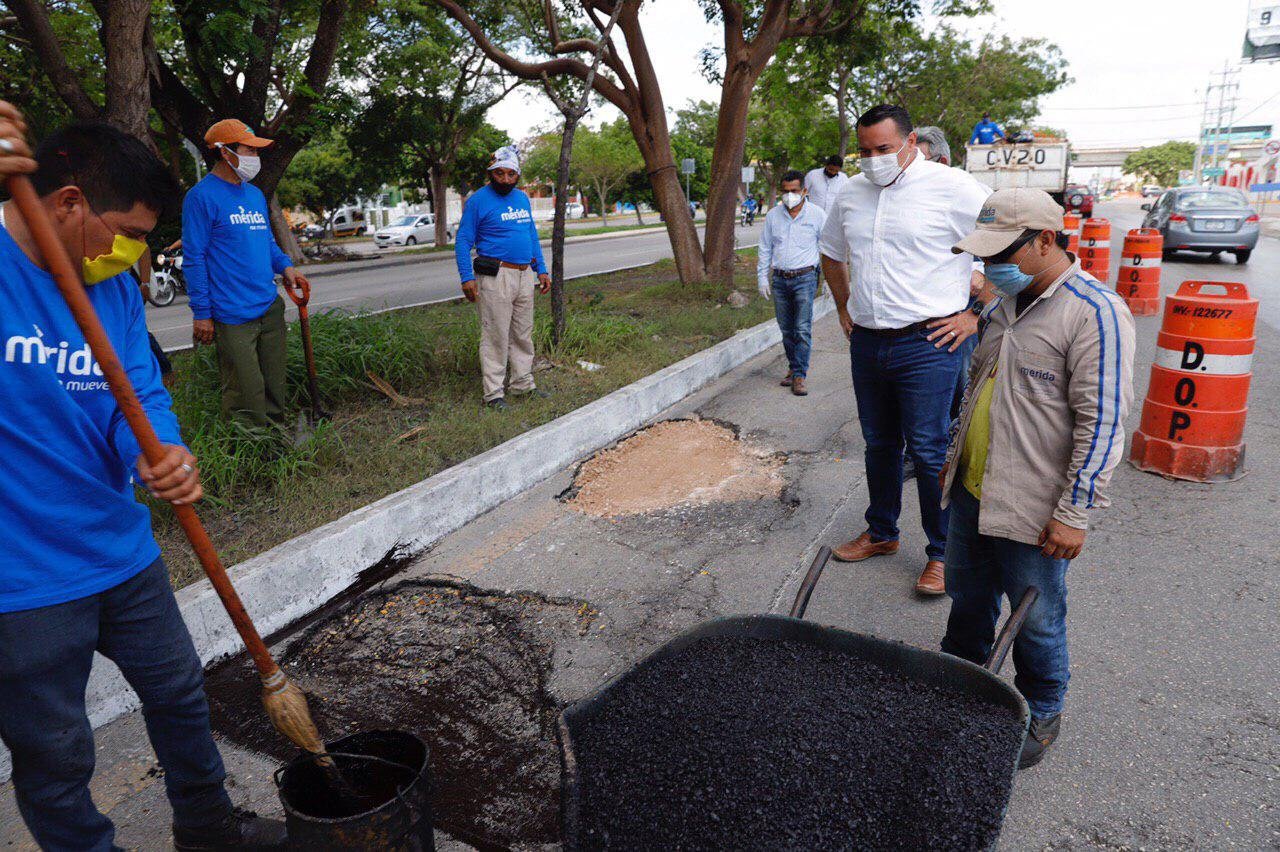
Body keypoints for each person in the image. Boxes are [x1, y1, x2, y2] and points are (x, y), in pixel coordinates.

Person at [0, 104, 284, 850]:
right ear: (67, 202)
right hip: (20, 579)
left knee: (180, 692)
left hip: (121, 550)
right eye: (127, 234)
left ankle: (209, 826)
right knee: (56, 755)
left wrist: (161, 452)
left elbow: (137, 393)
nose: (134, 257)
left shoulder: (114, 290)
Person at [940, 187, 1135, 768]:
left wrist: (1074, 514)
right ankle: (959, 684)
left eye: (1001, 252)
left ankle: (1041, 708)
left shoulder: (1094, 312)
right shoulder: (1004, 300)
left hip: (1034, 505)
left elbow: (1102, 422)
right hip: (974, 490)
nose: (988, 265)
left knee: (1038, 618)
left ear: (1045, 240)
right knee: (968, 601)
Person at [819, 104, 991, 597]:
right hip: (869, 341)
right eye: (865, 150)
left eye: (884, 149)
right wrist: (843, 307)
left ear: (911, 141)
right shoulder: (851, 192)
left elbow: (1012, 242)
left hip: (929, 342)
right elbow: (831, 251)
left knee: (930, 448)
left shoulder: (952, 187)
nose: (873, 160)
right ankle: (882, 532)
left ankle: (943, 553)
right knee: (879, 445)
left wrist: (974, 316)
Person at [183, 118, 310, 428]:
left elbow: (265, 241)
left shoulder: (254, 195)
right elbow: (194, 258)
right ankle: (251, 456)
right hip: (232, 314)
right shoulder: (201, 198)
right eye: (249, 150)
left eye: (256, 150)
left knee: (274, 386)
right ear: (225, 152)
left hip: (268, 305)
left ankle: (276, 445)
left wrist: (286, 266)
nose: (255, 157)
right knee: (246, 394)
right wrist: (202, 313)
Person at [454, 145, 551, 410]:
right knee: (495, 335)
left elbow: (530, 234)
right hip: (496, 276)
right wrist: (466, 277)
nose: (505, 179)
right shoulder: (478, 201)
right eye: (500, 173)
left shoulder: (521, 198)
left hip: (524, 275)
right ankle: (494, 394)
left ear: (518, 174)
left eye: (511, 174)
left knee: (522, 333)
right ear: (491, 173)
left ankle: (522, 384)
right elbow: (463, 241)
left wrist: (540, 268)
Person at [757, 169, 827, 397]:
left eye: (794, 191)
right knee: (786, 330)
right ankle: (793, 366)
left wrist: (828, 279)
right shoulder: (773, 216)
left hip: (805, 278)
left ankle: (799, 375)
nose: (789, 196)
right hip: (780, 279)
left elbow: (827, 248)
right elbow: (765, 247)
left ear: (804, 191)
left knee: (802, 328)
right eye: (785, 192)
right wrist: (761, 277)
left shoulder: (817, 215)